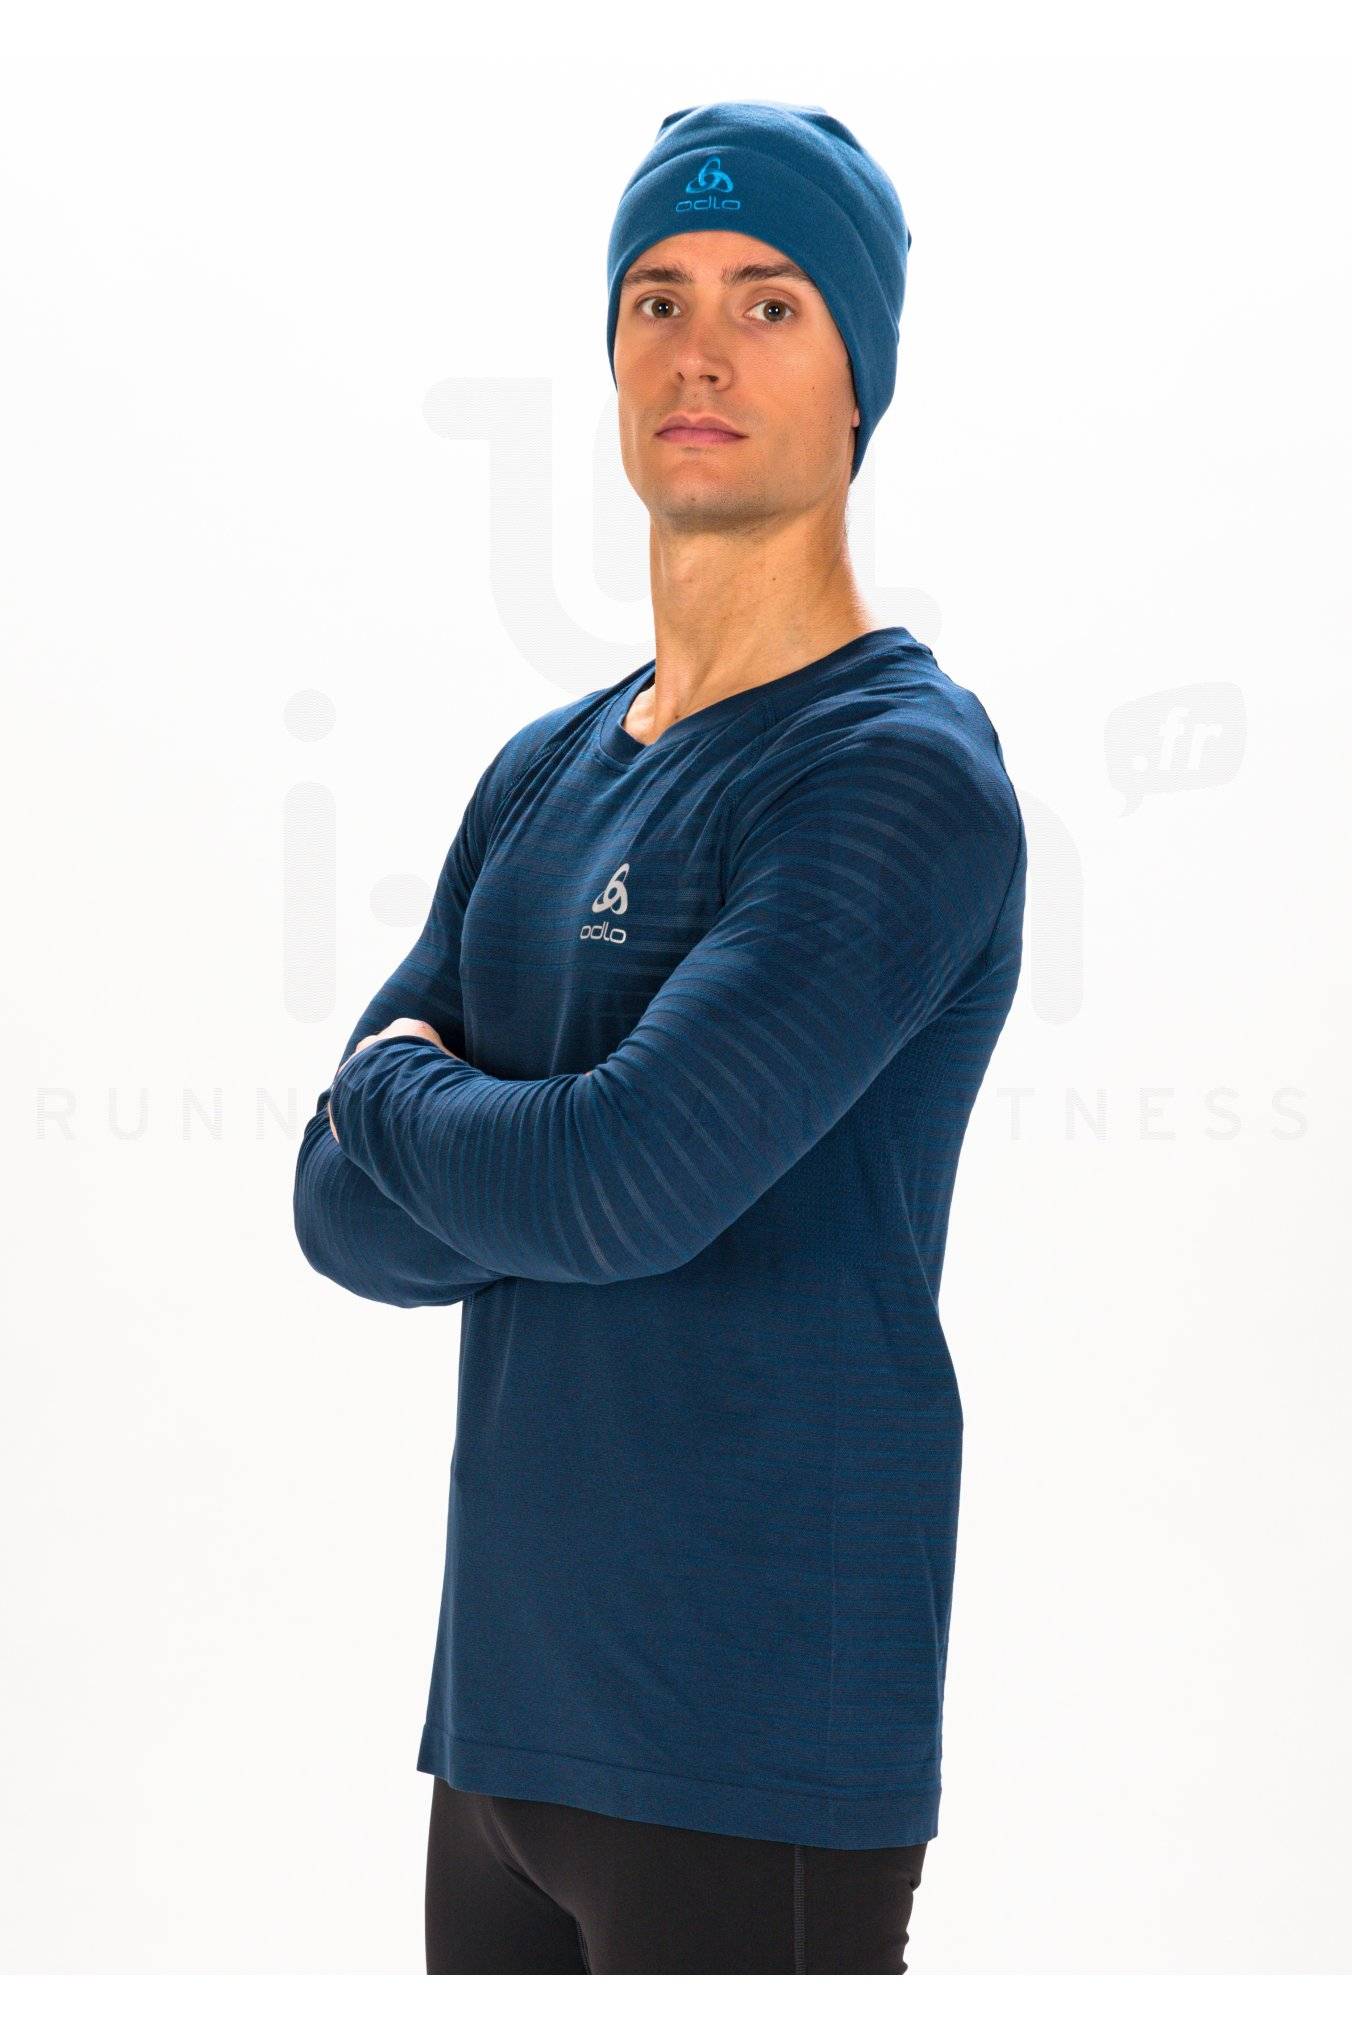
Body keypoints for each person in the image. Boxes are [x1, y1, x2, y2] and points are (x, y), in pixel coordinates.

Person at [293, 98, 1027, 1975]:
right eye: (658, 299)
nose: (701, 350)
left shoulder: (896, 780)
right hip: (503, 1731)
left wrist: (393, 1083)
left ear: (860, 383)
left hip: (751, 1741)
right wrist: (474, 1141)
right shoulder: (543, 769)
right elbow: (337, 1214)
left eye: (771, 304)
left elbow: (624, 1187)